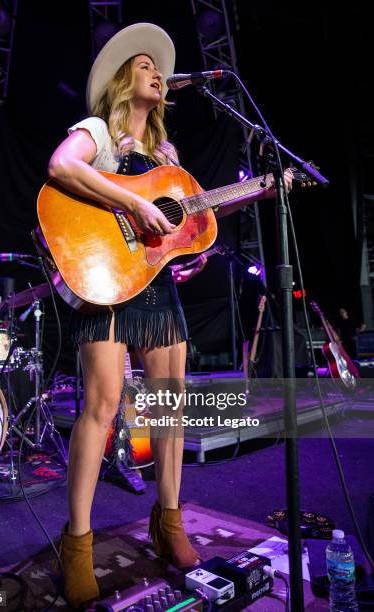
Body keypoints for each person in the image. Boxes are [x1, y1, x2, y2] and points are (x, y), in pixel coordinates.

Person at [47, 23, 293, 607]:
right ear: (120, 82)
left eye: (159, 69)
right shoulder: (99, 132)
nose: (157, 73)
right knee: (104, 403)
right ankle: (77, 542)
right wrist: (133, 200)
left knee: (170, 404)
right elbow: (62, 166)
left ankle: (170, 520)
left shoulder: (169, 158)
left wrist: (178, 256)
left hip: (152, 290)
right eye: (143, 67)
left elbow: (178, 232)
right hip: (106, 284)